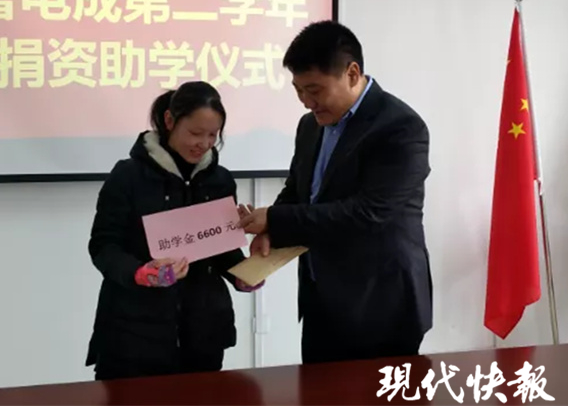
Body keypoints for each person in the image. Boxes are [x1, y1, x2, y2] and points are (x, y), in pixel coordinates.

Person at [237, 20, 433, 364]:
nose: (306, 102)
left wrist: (277, 220)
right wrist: (270, 232)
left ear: (352, 73)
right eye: (298, 91)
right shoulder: (310, 126)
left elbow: (369, 213)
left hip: (381, 304)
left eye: (314, 90)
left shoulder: (401, 127)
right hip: (321, 300)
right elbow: (298, 190)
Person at [85, 81, 262, 381]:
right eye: (195, 133)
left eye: (213, 135)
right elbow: (103, 246)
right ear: (169, 121)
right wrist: (140, 273)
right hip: (134, 336)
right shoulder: (128, 176)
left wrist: (243, 274)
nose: (203, 143)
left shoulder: (220, 180)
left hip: (203, 334)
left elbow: (219, 250)